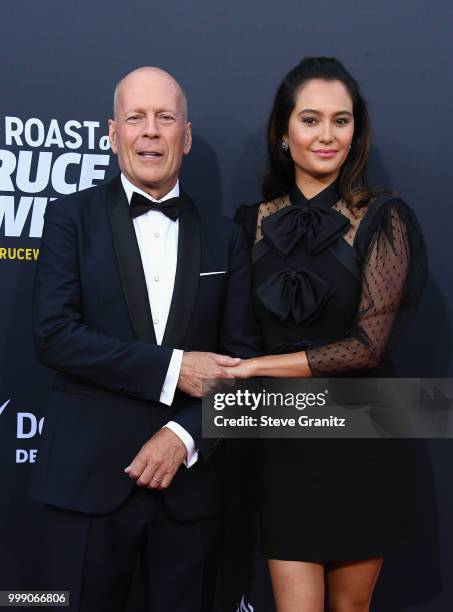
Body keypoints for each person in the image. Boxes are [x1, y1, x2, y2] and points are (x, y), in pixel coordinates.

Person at [30, 66, 261, 612]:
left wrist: (183, 436)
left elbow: (244, 364)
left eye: (165, 118)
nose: (150, 131)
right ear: (113, 133)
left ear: (185, 133)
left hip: (190, 491)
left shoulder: (225, 236)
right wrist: (173, 368)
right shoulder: (69, 219)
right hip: (85, 486)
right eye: (136, 117)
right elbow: (54, 336)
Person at [233, 57, 427, 612]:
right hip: (281, 446)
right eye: (311, 119)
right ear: (283, 133)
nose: (327, 135)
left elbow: (366, 349)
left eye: (341, 121)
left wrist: (256, 368)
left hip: (363, 440)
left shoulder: (383, 218)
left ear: (356, 132)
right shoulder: (247, 224)